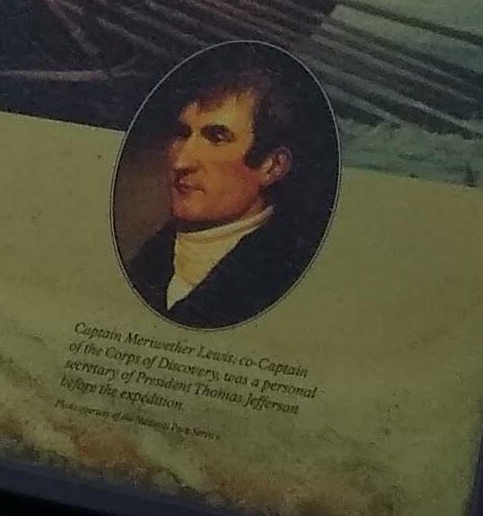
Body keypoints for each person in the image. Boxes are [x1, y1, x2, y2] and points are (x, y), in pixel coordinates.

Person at [121, 55, 334, 328]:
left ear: (272, 166)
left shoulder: (280, 277)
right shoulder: (148, 263)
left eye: (216, 138)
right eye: (182, 133)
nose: (180, 162)